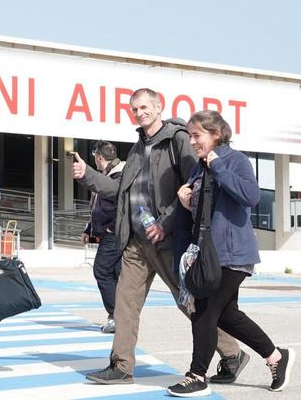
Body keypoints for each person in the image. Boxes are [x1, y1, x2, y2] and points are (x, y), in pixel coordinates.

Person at [73, 88, 241, 385]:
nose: (139, 113)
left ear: (158, 106)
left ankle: (231, 353)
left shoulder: (177, 140)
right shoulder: (138, 148)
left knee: (188, 301)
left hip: (168, 239)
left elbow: (195, 187)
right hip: (137, 241)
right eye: (134, 109)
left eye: (144, 107)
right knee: (125, 304)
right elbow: (119, 191)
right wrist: (87, 174)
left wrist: (166, 222)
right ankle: (121, 365)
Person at [166, 110, 294, 397]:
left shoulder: (235, 161)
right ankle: (275, 357)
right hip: (209, 254)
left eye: (197, 135)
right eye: (190, 136)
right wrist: (187, 204)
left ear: (216, 134)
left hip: (233, 253)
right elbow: (208, 215)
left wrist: (219, 166)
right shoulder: (199, 168)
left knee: (204, 311)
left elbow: (250, 196)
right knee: (226, 315)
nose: (192, 141)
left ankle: (196, 375)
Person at [81, 141, 125, 334]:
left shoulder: (118, 176)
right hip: (111, 232)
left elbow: (122, 207)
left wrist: (110, 229)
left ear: (99, 157)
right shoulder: (108, 175)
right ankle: (120, 316)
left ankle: (116, 316)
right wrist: (89, 230)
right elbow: (98, 206)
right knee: (114, 273)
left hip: (114, 233)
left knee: (102, 270)